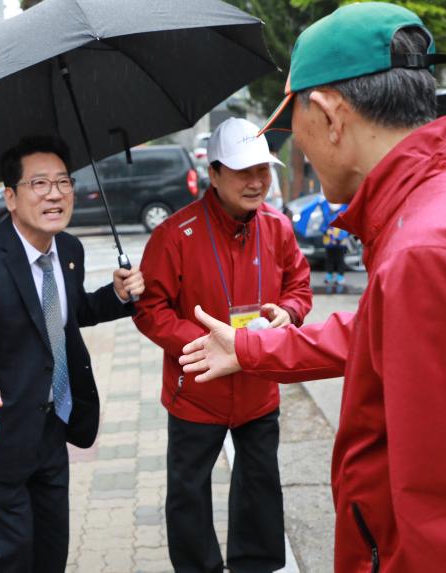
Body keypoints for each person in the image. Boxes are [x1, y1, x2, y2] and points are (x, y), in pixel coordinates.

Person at [179, 3, 446, 571]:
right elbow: (379, 333)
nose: (294, 147)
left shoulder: (428, 250)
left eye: (290, 125)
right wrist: (252, 346)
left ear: (327, 115)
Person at [0, 135, 145, 573]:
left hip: (54, 430)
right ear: (11, 197)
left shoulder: (69, 250)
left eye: (63, 182)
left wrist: (116, 296)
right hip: (0, 436)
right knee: (11, 556)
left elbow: (67, 316)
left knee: (53, 551)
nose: (55, 194)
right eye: (39, 184)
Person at [133, 117, 312, 573]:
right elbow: (150, 308)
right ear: (213, 174)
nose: (256, 182)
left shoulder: (278, 227)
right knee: (189, 494)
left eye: (263, 170)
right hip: (196, 388)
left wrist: (287, 313)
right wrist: (204, 344)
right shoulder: (174, 233)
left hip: (257, 385)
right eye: (242, 171)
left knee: (259, 486)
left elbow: (299, 286)